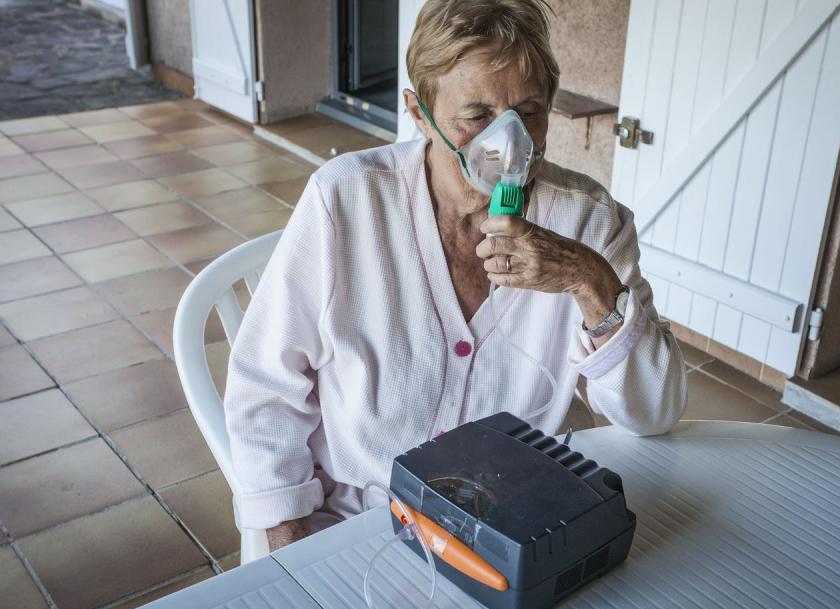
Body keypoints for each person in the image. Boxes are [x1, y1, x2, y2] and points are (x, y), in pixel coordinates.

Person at [224, 0, 687, 552]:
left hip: (514, 526)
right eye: (476, 115)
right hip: (357, 521)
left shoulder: (588, 219)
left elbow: (655, 413)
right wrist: (290, 540)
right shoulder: (347, 197)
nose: (511, 140)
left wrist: (588, 278)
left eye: (530, 111)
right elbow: (264, 387)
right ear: (419, 112)